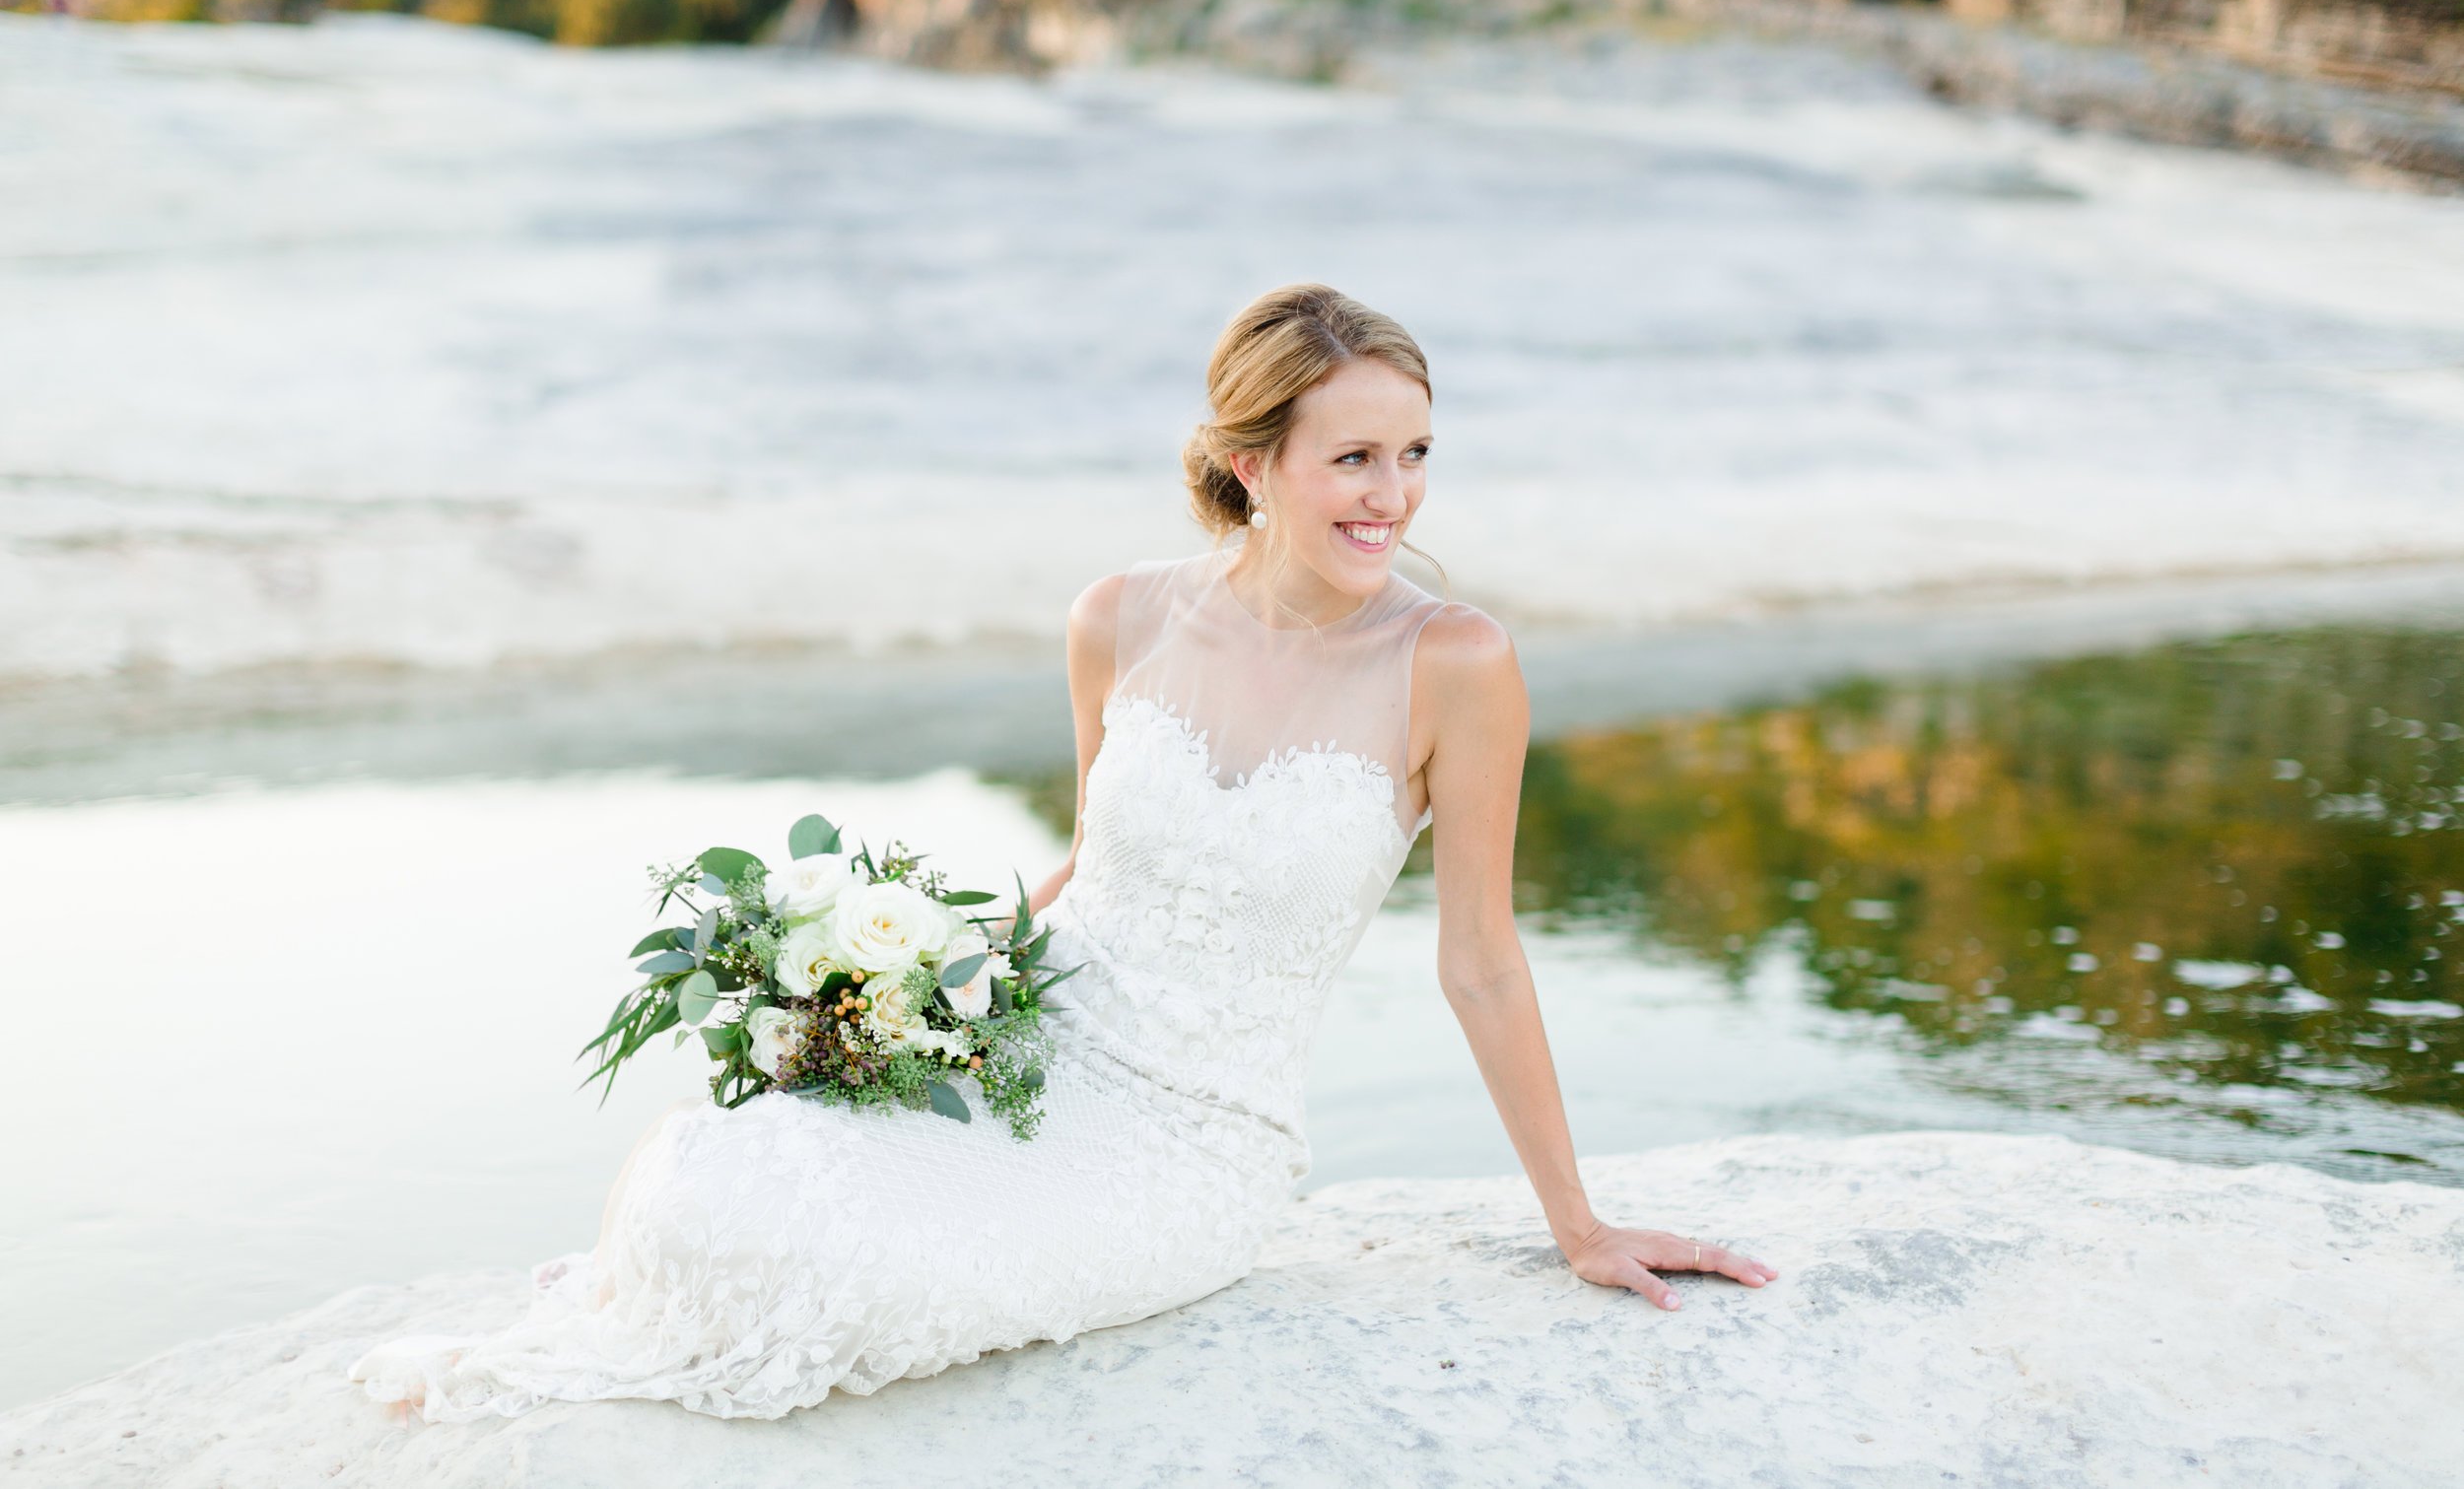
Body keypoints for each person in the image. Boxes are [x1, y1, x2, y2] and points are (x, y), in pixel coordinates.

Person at [348, 281, 1776, 1423]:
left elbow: (1479, 963)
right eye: (1353, 457)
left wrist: (1577, 1225)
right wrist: (887, 1003)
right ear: (1249, 463)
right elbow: (1092, 869)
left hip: (1194, 1146)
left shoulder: (1455, 663)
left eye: (1413, 456)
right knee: (717, 1174)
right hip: (1028, 1053)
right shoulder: (1120, 617)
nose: (1391, 497)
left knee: (851, 1270)